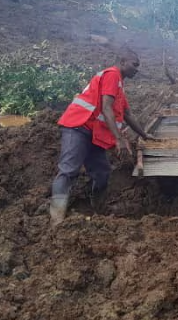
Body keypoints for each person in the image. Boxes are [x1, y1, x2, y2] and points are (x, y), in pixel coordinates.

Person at [50, 49, 153, 226]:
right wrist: (119, 139)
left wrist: (145, 135)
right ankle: (57, 219)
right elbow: (106, 108)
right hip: (78, 126)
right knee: (68, 170)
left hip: (93, 132)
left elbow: (127, 113)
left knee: (102, 172)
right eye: (134, 65)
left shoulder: (119, 85)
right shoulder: (112, 75)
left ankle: (95, 209)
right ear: (122, 62)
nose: (137, 69)